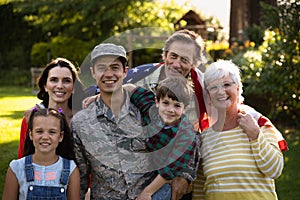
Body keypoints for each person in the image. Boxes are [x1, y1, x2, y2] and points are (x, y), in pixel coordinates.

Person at [195, 60, 284, 199]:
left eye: (227, 84)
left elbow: (275, 170)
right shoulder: (204, 138)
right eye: (213, 88)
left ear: (238, 88)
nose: (221, 91)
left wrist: (255, 136)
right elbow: (200, 190)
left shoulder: (259, 125)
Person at [123, 76, 200, 200]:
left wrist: (147, 193)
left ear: (185, 108)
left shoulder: (186, 134)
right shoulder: (151, 109)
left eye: (177, 106)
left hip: (165, 179)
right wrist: (98, 97)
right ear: (157, 102)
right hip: (145, 171)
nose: (170, 110)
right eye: (166, 103)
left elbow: (169, 170)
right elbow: (129, 88)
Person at [2, 108, 80, 200]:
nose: (45, 137)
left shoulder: (71, 169)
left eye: (52, 132)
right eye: (39, 131)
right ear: (31, 134)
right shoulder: (16, 168)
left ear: (61, 136)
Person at [18, 57, 85, 158]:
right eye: (54, 80)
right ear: (45, 85)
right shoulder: (31, 117)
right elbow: (22, 157)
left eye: (66, 81)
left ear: (74, 87)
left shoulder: (83, 119)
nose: (60, 86)